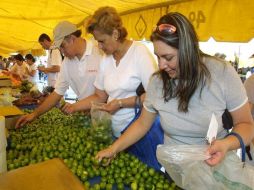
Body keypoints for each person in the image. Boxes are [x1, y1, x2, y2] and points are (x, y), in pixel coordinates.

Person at [96, 12, 254, 170]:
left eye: (168, 58)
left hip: (214, 171)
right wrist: (113, 148)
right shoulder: (157, 82)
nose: (161, 65)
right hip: (175, 171)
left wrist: (226, 144)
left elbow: (246, 125)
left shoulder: (221, 73)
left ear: (188, 49)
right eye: (158, 57)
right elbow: (142, 124)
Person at [62, 6, 157, 138]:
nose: (99, 46)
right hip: (113, 132)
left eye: (102, 41)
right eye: (97, 41)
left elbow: (155, 96)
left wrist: (120, 103)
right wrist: (74, 107)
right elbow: (99, 96)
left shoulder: (139, 53)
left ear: (115, 34)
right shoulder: (106, 59)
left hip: (136, 134)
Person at [15, 21, 103, 128]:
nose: (61, 51)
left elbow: (104, 94)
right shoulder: (67, 62)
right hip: (85, 114)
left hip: (107, 115)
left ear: (72, 38)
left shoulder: (99, 52)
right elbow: (57, 93)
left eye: (62, 46)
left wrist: (76, 106)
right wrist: (34, 114)